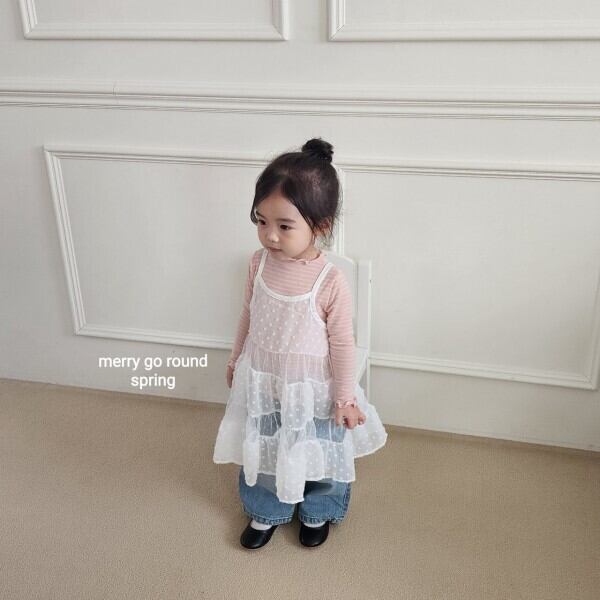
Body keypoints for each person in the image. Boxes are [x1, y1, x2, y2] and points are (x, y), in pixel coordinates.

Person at [213, 137, 388, 549]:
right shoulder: (258, 264)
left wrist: (344, 397)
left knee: (319, 446)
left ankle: (319, 507)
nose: (270, 236)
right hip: (265, 378)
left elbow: (342, 343)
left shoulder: (330, 281)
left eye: (284, 226)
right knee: (266, 444)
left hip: (314, 387)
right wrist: (236, 358)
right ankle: (266, 507)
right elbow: (248, 314)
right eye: (261, 221)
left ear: (320, 226)